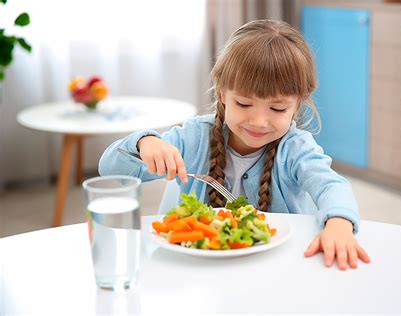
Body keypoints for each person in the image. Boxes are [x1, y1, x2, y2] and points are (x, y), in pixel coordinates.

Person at [99, 20, 370, 270]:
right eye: (244, 104)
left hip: (279, 267)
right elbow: (111, 171)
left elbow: (331, 186)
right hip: (200, 268)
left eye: (277, 108)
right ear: (222, 93)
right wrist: (145, 142)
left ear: (298, 103)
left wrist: (339, 223)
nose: (260, 121)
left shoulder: (296, 148)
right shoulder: (194, 138)